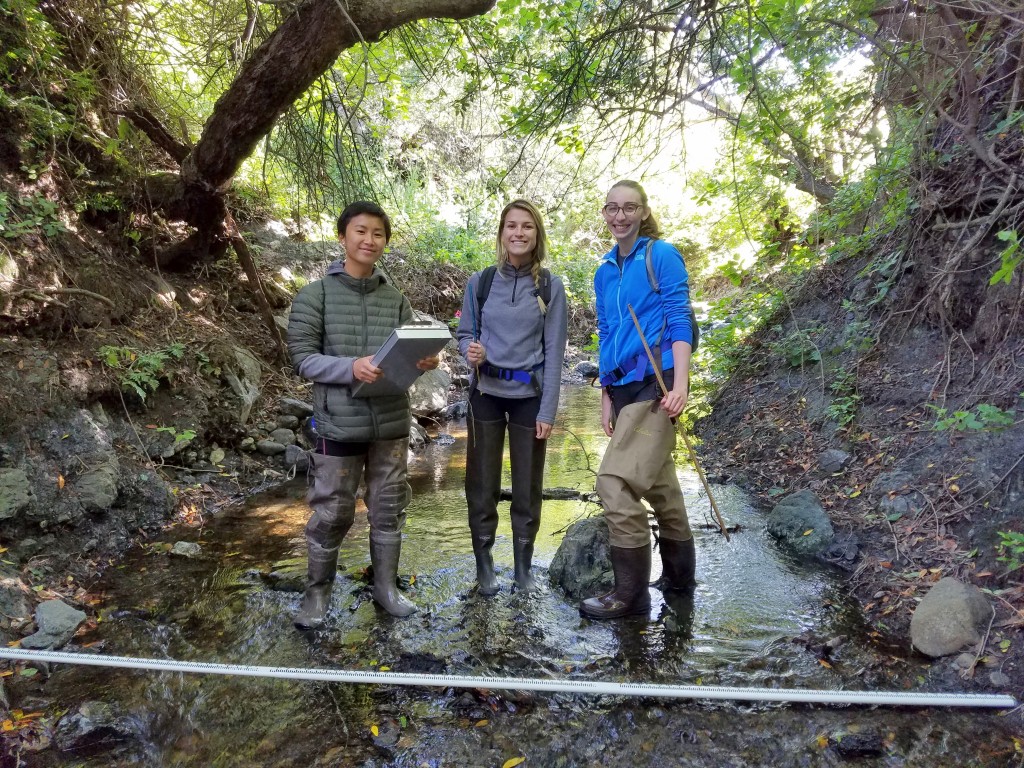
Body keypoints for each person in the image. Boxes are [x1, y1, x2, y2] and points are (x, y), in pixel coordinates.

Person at [287, 201, 439, 626]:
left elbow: (408, 350)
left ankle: (386, 590)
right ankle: (317, 596)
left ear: (385, 242)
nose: (369, 240)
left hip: (390, 421)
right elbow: (301, 358)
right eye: (360, 231)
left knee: (389, 508)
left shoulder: (396, 299)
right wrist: (349, 367)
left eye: (377, 233)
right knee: (333, 512)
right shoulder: (314, 295)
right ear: (342, 237)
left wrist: (424, 362)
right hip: (337, 421)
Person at [580, 180, 697, 620]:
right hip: (623, 385)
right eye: (612, 208)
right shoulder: (604, 270)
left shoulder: (660, 255)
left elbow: (679, 316)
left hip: (657, 381)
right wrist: (606, 391)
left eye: (629, 208)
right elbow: (608, 332)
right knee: (661, 485)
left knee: (616, 482)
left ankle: (629, 596)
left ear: (644, 212)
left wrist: (681, 382)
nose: (620, 216)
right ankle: (680, 582)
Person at [455, 200, 567, 594]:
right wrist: (471, 350)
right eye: (511, 226)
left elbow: (554, 353)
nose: (518, 233)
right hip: (484, 392)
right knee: (481, 485)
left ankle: (523, 568)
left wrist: (548, 410)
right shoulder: (481, 282)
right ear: (502, 233)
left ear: (537, 235)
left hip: (529, 398)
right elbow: (465, 334)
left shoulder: (550, 287)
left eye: (527, 227)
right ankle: (484, 566)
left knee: (527, 486)